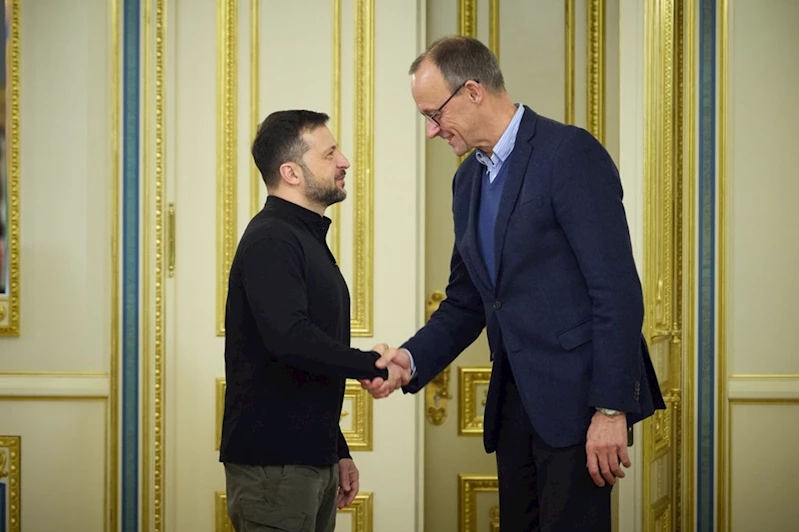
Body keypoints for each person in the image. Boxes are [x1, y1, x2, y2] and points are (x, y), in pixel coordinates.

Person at [362, 36, 665, 531]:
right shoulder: (466, 182)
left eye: (434, 115)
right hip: (514, 408)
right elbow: (467, 302)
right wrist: (409, 360)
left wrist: (611, 409)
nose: (431, 131)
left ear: (473, 91)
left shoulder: (569, 154)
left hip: (580, 406)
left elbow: (616, 292)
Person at [219, 109, 408, 532]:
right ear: (291, 173)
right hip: (274, 466)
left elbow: (307, 363)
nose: (344, 162)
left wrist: (336, 449)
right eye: (329, 153)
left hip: (307, 459)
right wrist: (372, 364)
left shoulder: (302, 237)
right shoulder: (272, 239)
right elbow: (290, 338)